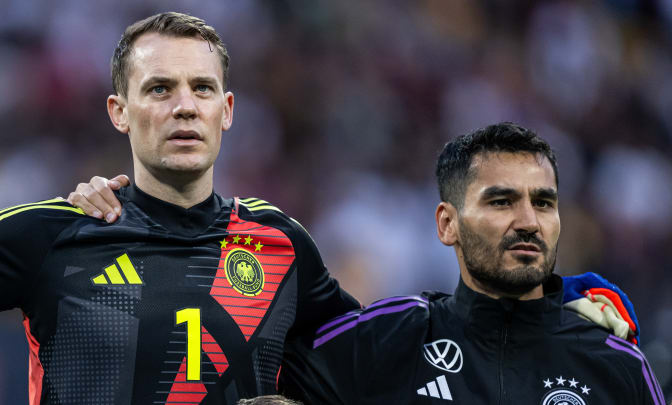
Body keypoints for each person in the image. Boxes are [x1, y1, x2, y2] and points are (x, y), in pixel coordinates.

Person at [0, 12, 359, 404]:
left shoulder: (280, 244)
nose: (186, 106)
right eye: (159, 89)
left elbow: (364, 367)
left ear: (227, 110)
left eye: (202, 88)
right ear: (120, 112)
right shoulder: (53, 234)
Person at [275, 123, 665, 404]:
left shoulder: (616, 366)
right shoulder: (388, 340)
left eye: (543, 202)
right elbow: (244, 362)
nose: (529, 221)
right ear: (448, 224)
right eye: (502, 201)